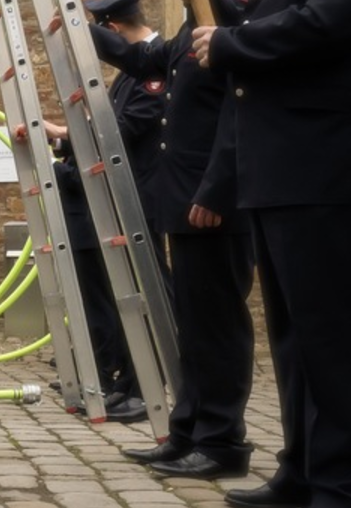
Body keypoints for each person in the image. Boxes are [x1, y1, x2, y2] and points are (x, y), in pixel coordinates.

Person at [193, 0, 351, 508]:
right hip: (279, 170)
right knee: (295, 341)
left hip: (328, 166)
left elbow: (330, 19)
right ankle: (304, 468)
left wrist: (228, 44)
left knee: (336, 340)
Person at [90, 0, 256, 480]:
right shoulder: (190, 25)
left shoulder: (226, 21)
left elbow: (236, 113)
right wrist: (82, 27)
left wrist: (217, 190)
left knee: (219, 328)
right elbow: (144, 59)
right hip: (185, 202)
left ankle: (223, 441)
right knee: (194, 328)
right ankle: (187, 431)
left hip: (213, 203)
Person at [45, 0, 166, 422]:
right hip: (121, 201)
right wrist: (63, 139)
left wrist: (66, 136)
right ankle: (125, 383)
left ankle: (141, 387)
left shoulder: (154, 69)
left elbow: (127, 131)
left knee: (146, 295)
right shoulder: (129, 76)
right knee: (126, 296)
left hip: (142, 199)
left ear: (111, 28)